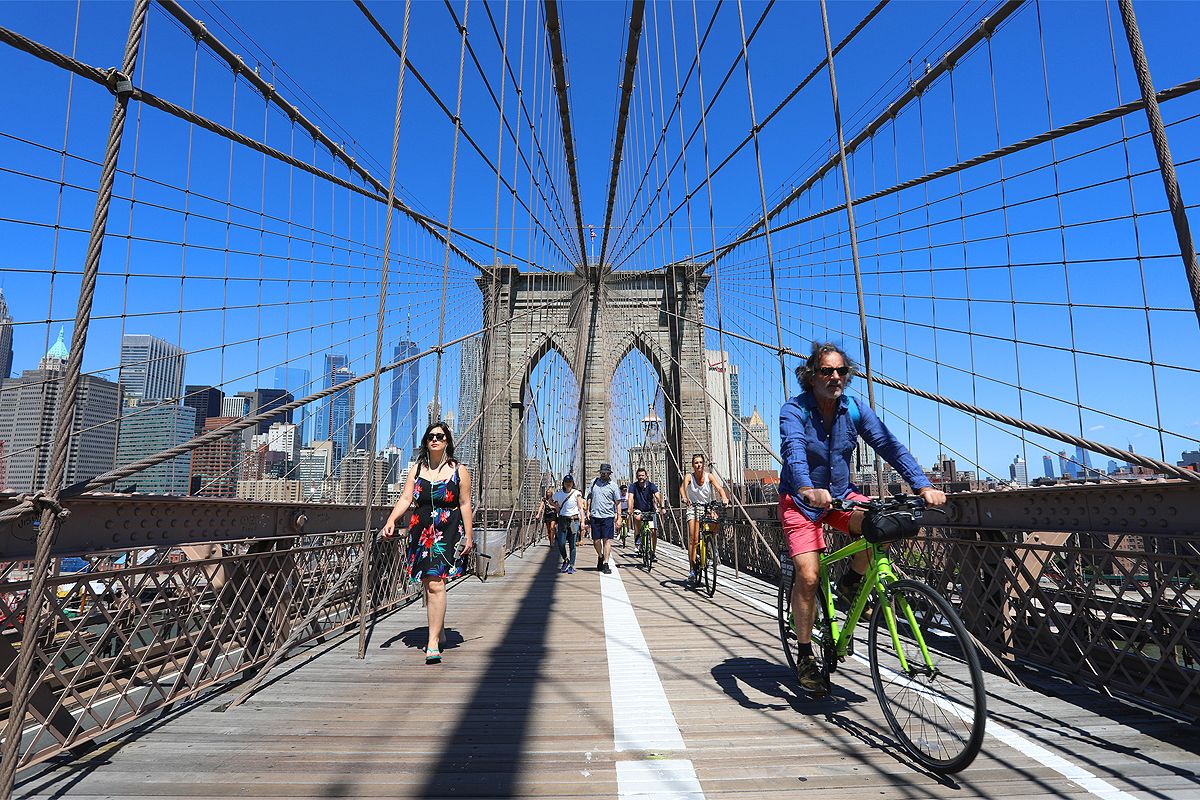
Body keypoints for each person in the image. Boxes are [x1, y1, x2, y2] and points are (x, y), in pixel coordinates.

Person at [780, 342, 946, 694]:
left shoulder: (854, 409)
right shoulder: (794, 411)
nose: (835, 377)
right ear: (811, 376)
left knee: (884, 524)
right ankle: (806, 653)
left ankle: (852, 583)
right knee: (808, 576)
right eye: (827, 371)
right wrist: (808, 487)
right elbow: (794, 451)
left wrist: (922, 485)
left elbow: (889, 444)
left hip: (841, 496)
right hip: (800, 499)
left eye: (841, 370)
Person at [380, 421, 473, 665]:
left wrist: (469, 536)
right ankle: (439, 630)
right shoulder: (417, 469)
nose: (435, 439)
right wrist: (391, 519)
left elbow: (464, 504)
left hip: (447, 530)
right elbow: (406, 497)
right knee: (428, 581)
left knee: (436, 583)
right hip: (421, 531)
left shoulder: (459, 470)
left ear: (447, 441)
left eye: (440, 436)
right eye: (431, 436)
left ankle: (432, 643)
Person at [680, 454, 729, 586]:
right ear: (693, 465)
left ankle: (712, 547)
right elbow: (682, 488)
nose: (699, 465)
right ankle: (691, 570)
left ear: (704, 464)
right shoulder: (689, 477)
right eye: (696, 462)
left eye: (701, 462)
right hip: (693, 507)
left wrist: (724, 497)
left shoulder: (709, 476)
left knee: (715, 522)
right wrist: (685, 497)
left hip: (707, 507)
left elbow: (719, 488)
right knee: (694, 539)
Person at [586, 463, 623, 574]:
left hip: (608, 516)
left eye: (606, 473)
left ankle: (606, 563)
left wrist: (619, 517)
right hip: (595, 515)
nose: (603, 475)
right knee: (596, 540)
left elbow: (618, 502)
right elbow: (589, 496)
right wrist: (587, 510)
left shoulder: (613, 486)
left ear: (609, 474)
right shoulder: (594, 482)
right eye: (602, 473)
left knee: (607, 539)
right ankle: (600, 556)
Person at [627, 467, 664, 560]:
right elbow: (630, 498)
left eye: (643, 475)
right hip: (638, 509)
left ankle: (653, 552)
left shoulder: (651, 485)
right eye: (639, 476)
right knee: (637, 518)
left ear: (646, 476)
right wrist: (630, 509)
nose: (641, 477)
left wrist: (662, 507)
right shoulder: (633, 486)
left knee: (653, 531)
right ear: (636, 476)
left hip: (650, 511)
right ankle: (638, 536)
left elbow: (657, 495)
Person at [552, 475, 584, 574]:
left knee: (572, 544)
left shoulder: (576, 493)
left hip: (574, 520)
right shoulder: (559, 494)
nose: (568, 483)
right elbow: (550, 501)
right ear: (564, 483)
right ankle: (566, 560)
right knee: (561, 543)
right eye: (566, 482)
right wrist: (557, 507)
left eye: (570, 482)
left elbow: (580, 508)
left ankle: (571, 565)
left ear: (572, 483)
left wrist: (582, 521)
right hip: (562, 520)